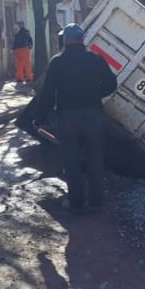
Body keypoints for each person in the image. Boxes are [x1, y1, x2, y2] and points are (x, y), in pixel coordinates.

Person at [34, 23, 118, 214]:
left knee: (70, 160)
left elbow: (47, 94)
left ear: (65, 40)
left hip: (68, 117)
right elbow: (111, 84)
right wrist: (96, 94)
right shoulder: (95, 59)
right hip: (94, 116)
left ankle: (76, 201)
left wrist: (39, 119)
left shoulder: (57, 62)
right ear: (81, 39)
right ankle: (96, 200)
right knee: (95, 158)